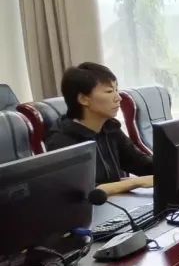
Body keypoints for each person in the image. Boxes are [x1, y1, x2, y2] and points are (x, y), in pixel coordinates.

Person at [46, 62, 154, 196]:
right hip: (92, 208)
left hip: (117, 202)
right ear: (83, 99)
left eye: (116, 90)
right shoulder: (61, 140)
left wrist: (172, 164)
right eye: (109, 91)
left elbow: (141, 164)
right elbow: (82, 191)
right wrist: (136, 182)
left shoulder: (110, 127)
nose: (118, 98)